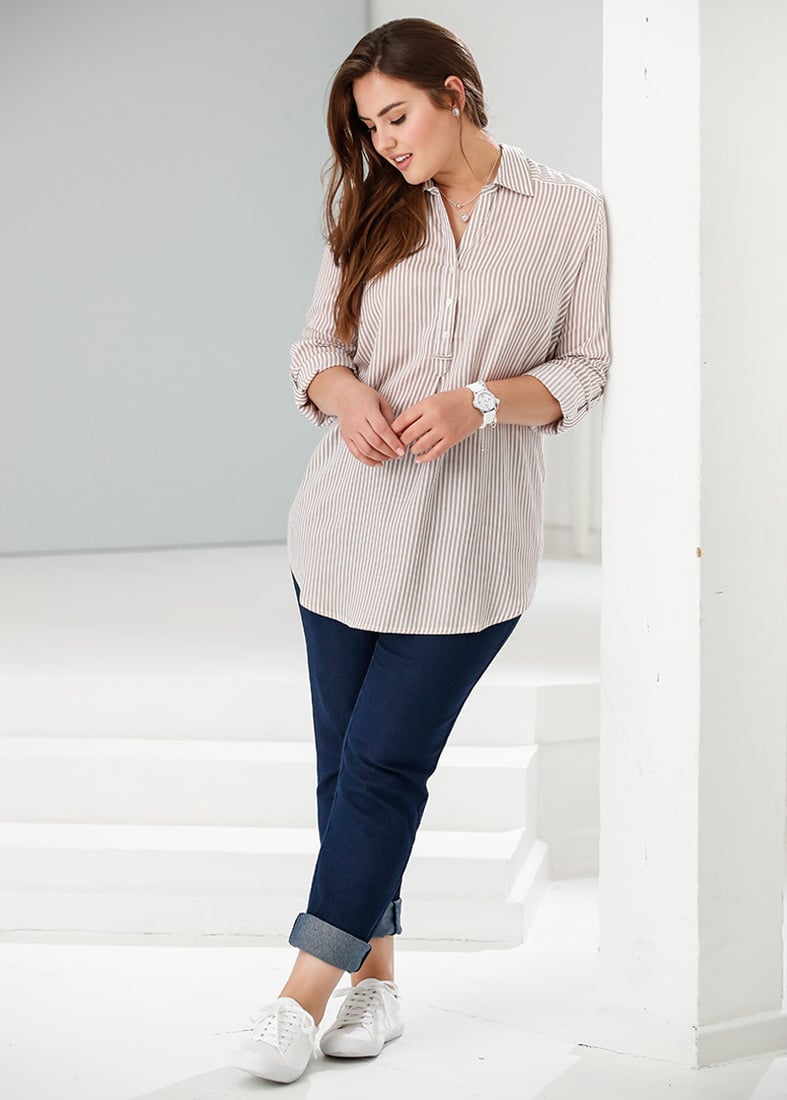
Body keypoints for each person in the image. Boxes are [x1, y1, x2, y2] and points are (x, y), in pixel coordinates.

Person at [232, 16, 610, 1085]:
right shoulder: (370, 209)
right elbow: (316, 345)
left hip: (468, 551)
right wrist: (341, 391)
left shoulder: (571, 213)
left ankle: (297, 997)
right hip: (343, 532)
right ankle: (377, 979)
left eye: (396, 115)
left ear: (455, 92)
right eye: (369, 126)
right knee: (345, 771)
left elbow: (586, 366)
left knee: (386, 765)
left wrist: (480, 401)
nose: (385, 141)